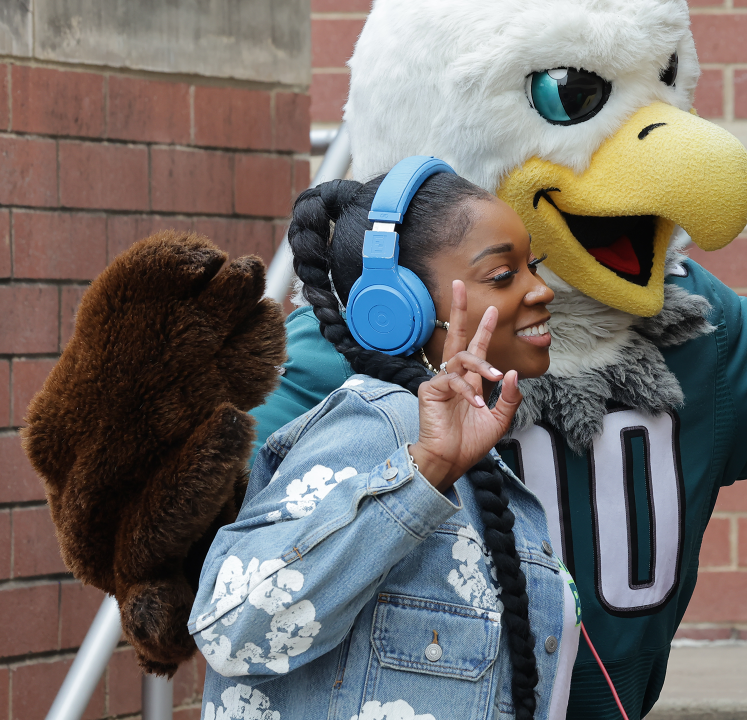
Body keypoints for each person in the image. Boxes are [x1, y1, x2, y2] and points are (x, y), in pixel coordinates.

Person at [187, 164, 577, 720]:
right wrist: (421, 474)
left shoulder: (457, 445)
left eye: (532, 266)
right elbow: (231, 627)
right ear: (398, 306)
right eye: (502, 273)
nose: (541, 289)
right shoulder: (378, 429)